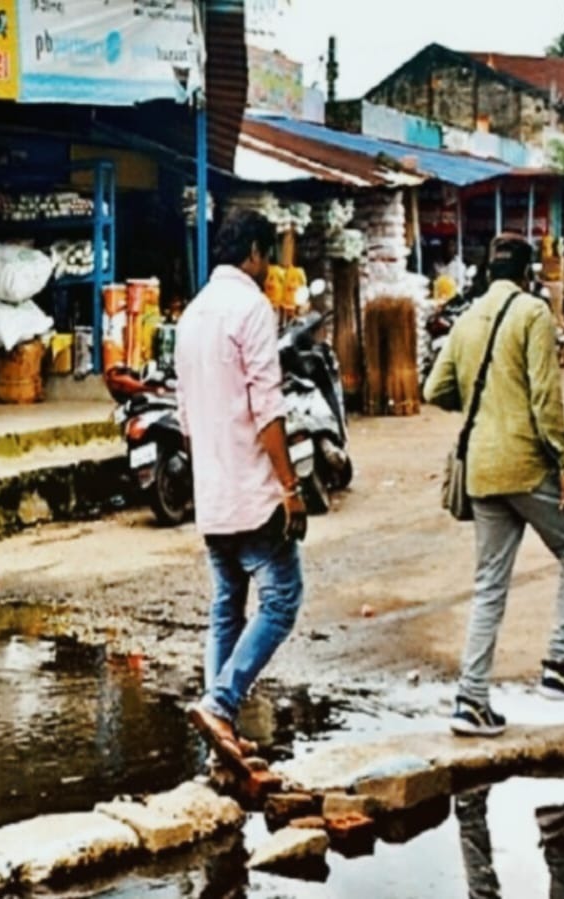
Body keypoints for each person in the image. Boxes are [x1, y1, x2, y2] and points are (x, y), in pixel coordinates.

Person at [424, 234, 564, 738]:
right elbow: (546, 397)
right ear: (527, 273)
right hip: (525, 462)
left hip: (481, 465)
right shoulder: (532, 313)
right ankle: (561, 665)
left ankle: (471, 700)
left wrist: (483, 408)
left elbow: (433, 388)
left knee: (488, 586)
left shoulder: (467, 318)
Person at [175, 209, 309, 764]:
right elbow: (267, 407)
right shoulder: (250, 308)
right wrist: (290, 485)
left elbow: (185, 417)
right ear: (253, 253)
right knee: (282, 600)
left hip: (211, 489)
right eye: (268, 254)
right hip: (252, 489)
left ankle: (218, 742)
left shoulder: (193, 314)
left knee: (228, 605)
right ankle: (221, 704)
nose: (271, 265)